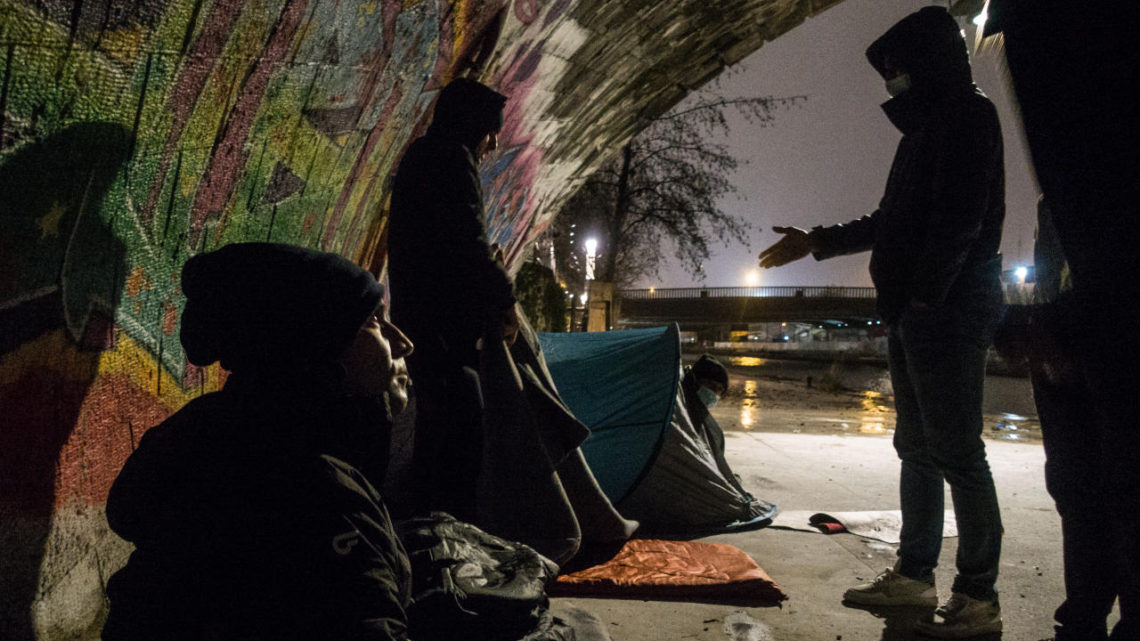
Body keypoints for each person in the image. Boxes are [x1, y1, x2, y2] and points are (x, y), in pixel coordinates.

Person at [757, 7, 1005, 637]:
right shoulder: (923, 131)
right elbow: (889, 222)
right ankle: (915, 577)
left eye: (898, 71)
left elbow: (962, 221)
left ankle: (977, 594)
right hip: (915, 312)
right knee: (917, 449)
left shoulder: (969, 119)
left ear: (926, 64)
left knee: (957, 453)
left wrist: (924, 297)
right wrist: (816, 241)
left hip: (946, 313)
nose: (891, 84)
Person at [102, 243, 415, 641]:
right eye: (374, 320)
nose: (403, 342)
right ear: (312, 346)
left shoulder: (216, 430)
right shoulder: (312, 490)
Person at [983, 5, 1140, 640]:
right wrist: (1041, 326)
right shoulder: (1070, 192)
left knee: (1122, 488)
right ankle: (1083, 617)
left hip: (1105, 344)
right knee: (1078, 487)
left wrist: (1057, 324)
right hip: (1078, 350)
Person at [387, 77, 518, 520]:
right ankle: (451, 533)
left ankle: (424, 528)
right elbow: (469, 247)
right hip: (441, 332)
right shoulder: (452, 160)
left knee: (436, 434)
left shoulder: (422, 156)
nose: (494, 142)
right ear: (472, 125)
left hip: (421, 324)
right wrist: (506, 298)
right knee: (463, 435)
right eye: (491, 130)